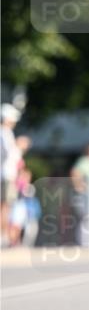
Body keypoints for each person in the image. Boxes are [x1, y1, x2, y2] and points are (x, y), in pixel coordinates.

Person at [0, 103, 22, 248]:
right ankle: (2, 236)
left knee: (6, 206)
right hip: (5, 174)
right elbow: (6, 154)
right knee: (4, 206)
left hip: (7, 174)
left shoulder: (6, 133)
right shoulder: (4, 133)